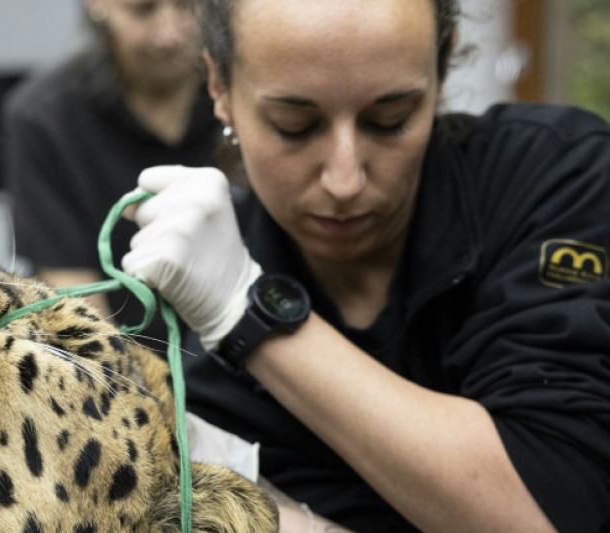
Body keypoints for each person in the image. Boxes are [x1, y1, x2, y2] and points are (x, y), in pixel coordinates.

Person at [121, 0, 610, 531]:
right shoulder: (189, 341)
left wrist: (249, 317)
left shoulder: (553, 179)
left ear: (441, 67)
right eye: (294, 125)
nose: (345, 180)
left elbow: (552, 510)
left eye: (390, 120)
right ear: (219, 85)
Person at [3, 0, 236, 349]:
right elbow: (78, 313)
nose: (170, 34)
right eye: (142, 10)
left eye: (188, 5)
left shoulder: (246, 96)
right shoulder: (44, 120)